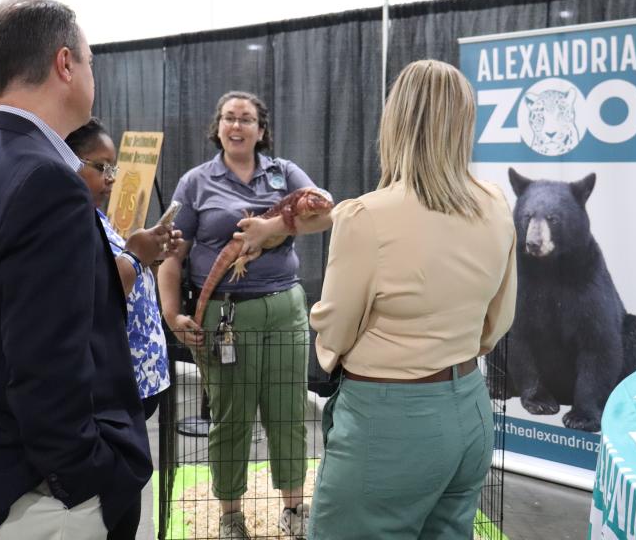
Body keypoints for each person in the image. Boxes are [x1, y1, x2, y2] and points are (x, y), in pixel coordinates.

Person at [0, 0, 179, 540]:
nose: (92, 73)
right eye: (90, 60)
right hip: (35, 500)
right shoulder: (46, 182)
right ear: (64, 65)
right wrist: (93, 476)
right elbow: (46, 372)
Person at [307, 59, 518, 539]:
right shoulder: (495, 203)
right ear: (464, 122)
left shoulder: (366, 216)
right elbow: (499, 318)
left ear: (396, 119)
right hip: (469, 408)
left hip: (389, 422)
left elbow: (336, 328)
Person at [158, 91, 332, 540]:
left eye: (247, 119)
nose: (237, 126)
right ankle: (231, 513)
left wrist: (273, 228)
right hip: (225, 316)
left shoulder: (284, 172)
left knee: (288, 411)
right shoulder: (196, 182)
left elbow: (326, 214)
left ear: (261, 129)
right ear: (217, 127)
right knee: (231, 417)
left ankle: (295, 508)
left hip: (285, 309)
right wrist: (172, 312)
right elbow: (172, 254)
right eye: (229, 118)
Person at [66, 117, 172, 422]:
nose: (111, 179)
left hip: (138, 381)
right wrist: (136, 255)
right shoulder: (68, 223)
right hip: (110, 389)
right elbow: (98, 292)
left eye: (113, 169)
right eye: (102, 168)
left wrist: (150, 256)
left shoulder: (94, 215)